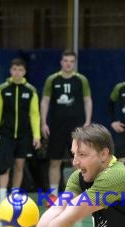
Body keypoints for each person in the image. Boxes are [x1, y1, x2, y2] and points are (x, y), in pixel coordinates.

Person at [41, 50, 92, 201]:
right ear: (61, 62)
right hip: (56, 127)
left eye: (71, 61)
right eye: (65, 61)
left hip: (76, 128)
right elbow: (45, 100)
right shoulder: (53, 79)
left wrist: (87, 121)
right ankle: (53, 196)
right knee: (54, 161)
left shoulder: (81, 79)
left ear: (74, 63)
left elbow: (87, 100)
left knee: (78, 161)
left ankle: (75, 195)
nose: (68, 63)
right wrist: (43, 122)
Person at [0, 58, 41, 211]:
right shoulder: (3, 89)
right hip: (6, 135)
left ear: (24, 72)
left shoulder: (30, 90)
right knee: (4, 167)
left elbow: (34, 114)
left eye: (20, 70)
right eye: (14, 70)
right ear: (10, 71)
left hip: (24, 135)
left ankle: (14, 196)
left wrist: (36, 135)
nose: (17, 73)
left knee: (20, 165)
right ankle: (1, 198)